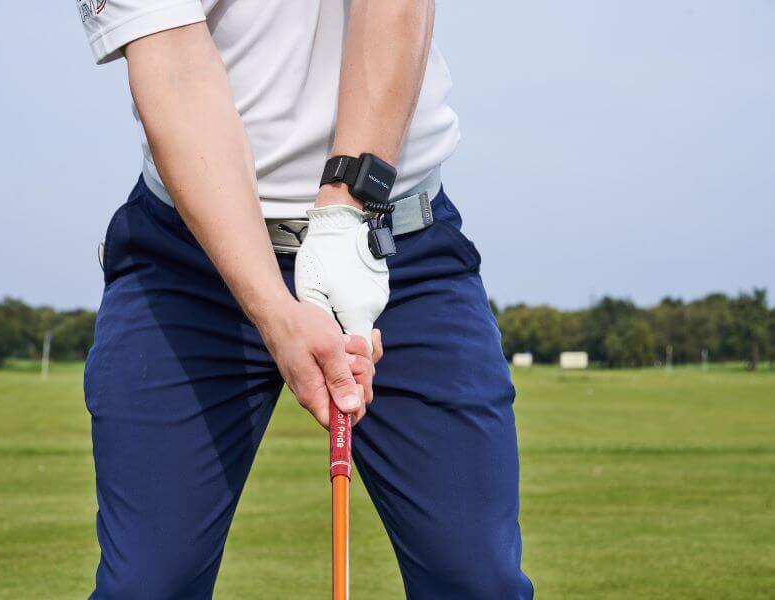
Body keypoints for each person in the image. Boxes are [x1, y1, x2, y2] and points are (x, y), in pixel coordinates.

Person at [77, 1, 533, 597]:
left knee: (477, 581)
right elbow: (174, 72)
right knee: (145, 586)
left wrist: (347, 213)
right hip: (187, 265)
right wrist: (273, 308)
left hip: (394, 244)